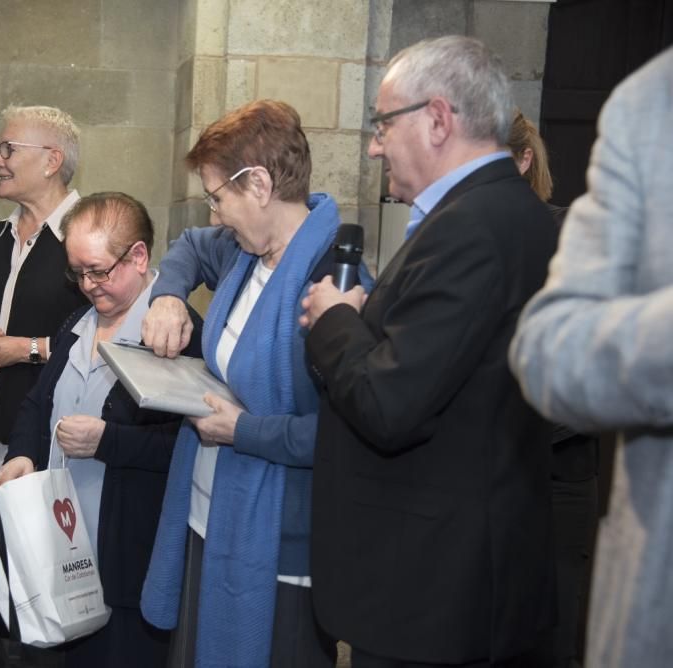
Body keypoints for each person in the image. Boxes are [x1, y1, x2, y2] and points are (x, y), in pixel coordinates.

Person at [300, 36, 557, 667]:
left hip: (435, 596)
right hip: (448, 584)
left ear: (438, 119)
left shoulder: (471, 227)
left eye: (384, 123)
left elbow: (391, 403)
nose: (374, 144)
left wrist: (334, 321)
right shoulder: (501, 213)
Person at [139, 99, 371, 668]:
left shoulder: (336, 287)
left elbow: (346, 436)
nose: (215, 215)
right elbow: (190, 247)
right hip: (207, 514)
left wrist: (245, 432)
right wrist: (169, 294)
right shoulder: (246, 253)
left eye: (218, 197)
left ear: (260, 185)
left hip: (278, 544)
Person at [509, 47, 673, 668]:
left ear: (524, 161)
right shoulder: (651, 104)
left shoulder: (559, 223)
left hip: (563, 472)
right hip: (530, 467)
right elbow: (553, 350)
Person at [0, 192, 203, 667]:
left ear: (138, 256)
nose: (87, 285)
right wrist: (24, 454)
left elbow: (187, 449)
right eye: (77, 273)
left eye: (98, 271)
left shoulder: (176, 334)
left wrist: (108, 442)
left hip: (126, 564)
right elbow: (37, 403)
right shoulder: (77, 325)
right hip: (62, 552)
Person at [507, 109, 600, 668]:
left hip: (559, 468)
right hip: (489, 472)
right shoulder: (454, 238)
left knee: (552, 634)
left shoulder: (573, 234)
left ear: (523, 161)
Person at [0, 104, 88, 464]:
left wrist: (26, 349)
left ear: (51, 161)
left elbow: (105, 340)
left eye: (8, 149)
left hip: (49, 442)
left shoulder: (89, 237)